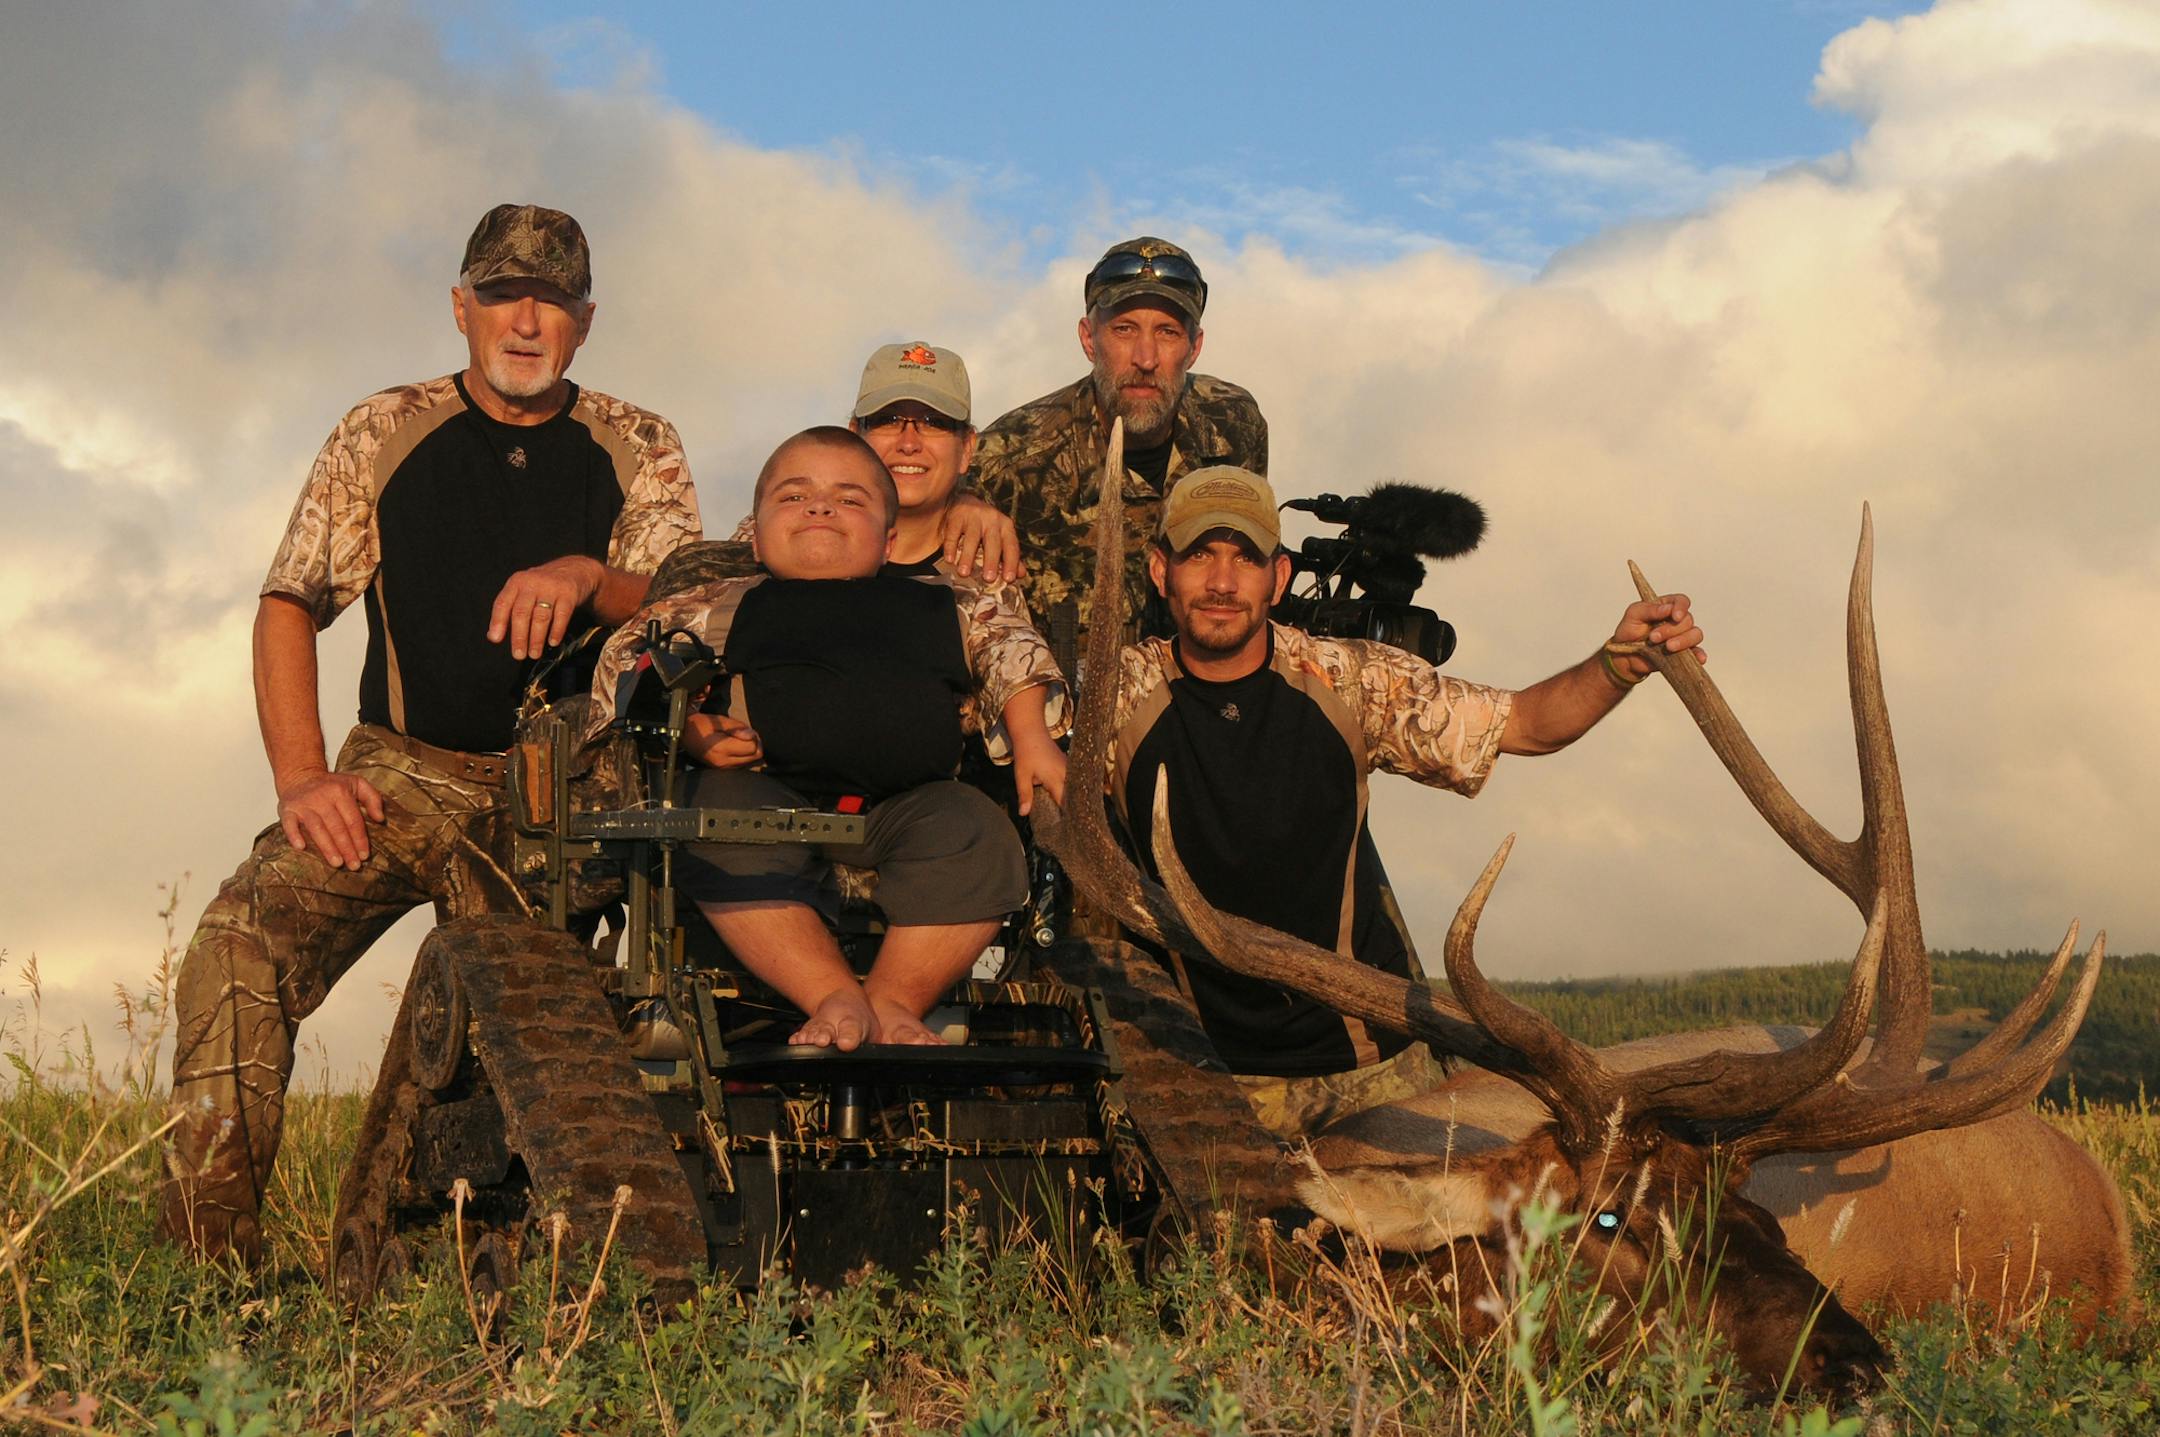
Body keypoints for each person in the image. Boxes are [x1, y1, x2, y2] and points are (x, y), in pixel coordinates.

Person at [161, 203, 702, 1261]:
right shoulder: (384, 427)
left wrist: (587, 576)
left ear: (584, 322)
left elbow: (681, 610)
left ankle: (454, 1264)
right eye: (503, 296)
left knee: (525, 1039)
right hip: (399, 778)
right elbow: (290, 600)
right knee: (237, 947)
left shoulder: (639, 444)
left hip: (565, 793)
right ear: (463, 308)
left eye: (552, 301)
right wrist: (304, 776)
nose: (527, 321)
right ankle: (209, 1270)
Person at [1109, 467, 1707, 1138]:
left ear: (1278, 579)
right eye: (1200, 555)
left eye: (1245, 557)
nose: (1222, 582)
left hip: (1373, 1070)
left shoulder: (1346, 679)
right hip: (1206, 1077)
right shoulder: (1117, 697)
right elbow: (1012, 687)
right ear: (1161, 571)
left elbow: (1528, 724)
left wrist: (1618, 664)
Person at [585, 428, 1068, 1048]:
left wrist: (1032, 738)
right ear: (754, 537)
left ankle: (896, 1000)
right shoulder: (716, 603)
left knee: (979, 831)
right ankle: (832, 994)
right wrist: (697, 733)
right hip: (764, 808)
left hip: (908, 808)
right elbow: (629, 665)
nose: (820, 508)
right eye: (794, 497)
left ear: (889, 539)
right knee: (713, 821)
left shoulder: (953, 603)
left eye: (849, 499)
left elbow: (1014, 652)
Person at [969, 237, 1267, 642]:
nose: (1145, 359)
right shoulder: (1011, 455)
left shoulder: (1234, 422)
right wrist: (961, 502)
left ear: (1194, 348)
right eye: (1124, 330)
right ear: (1089, 339)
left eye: (1167, 332)